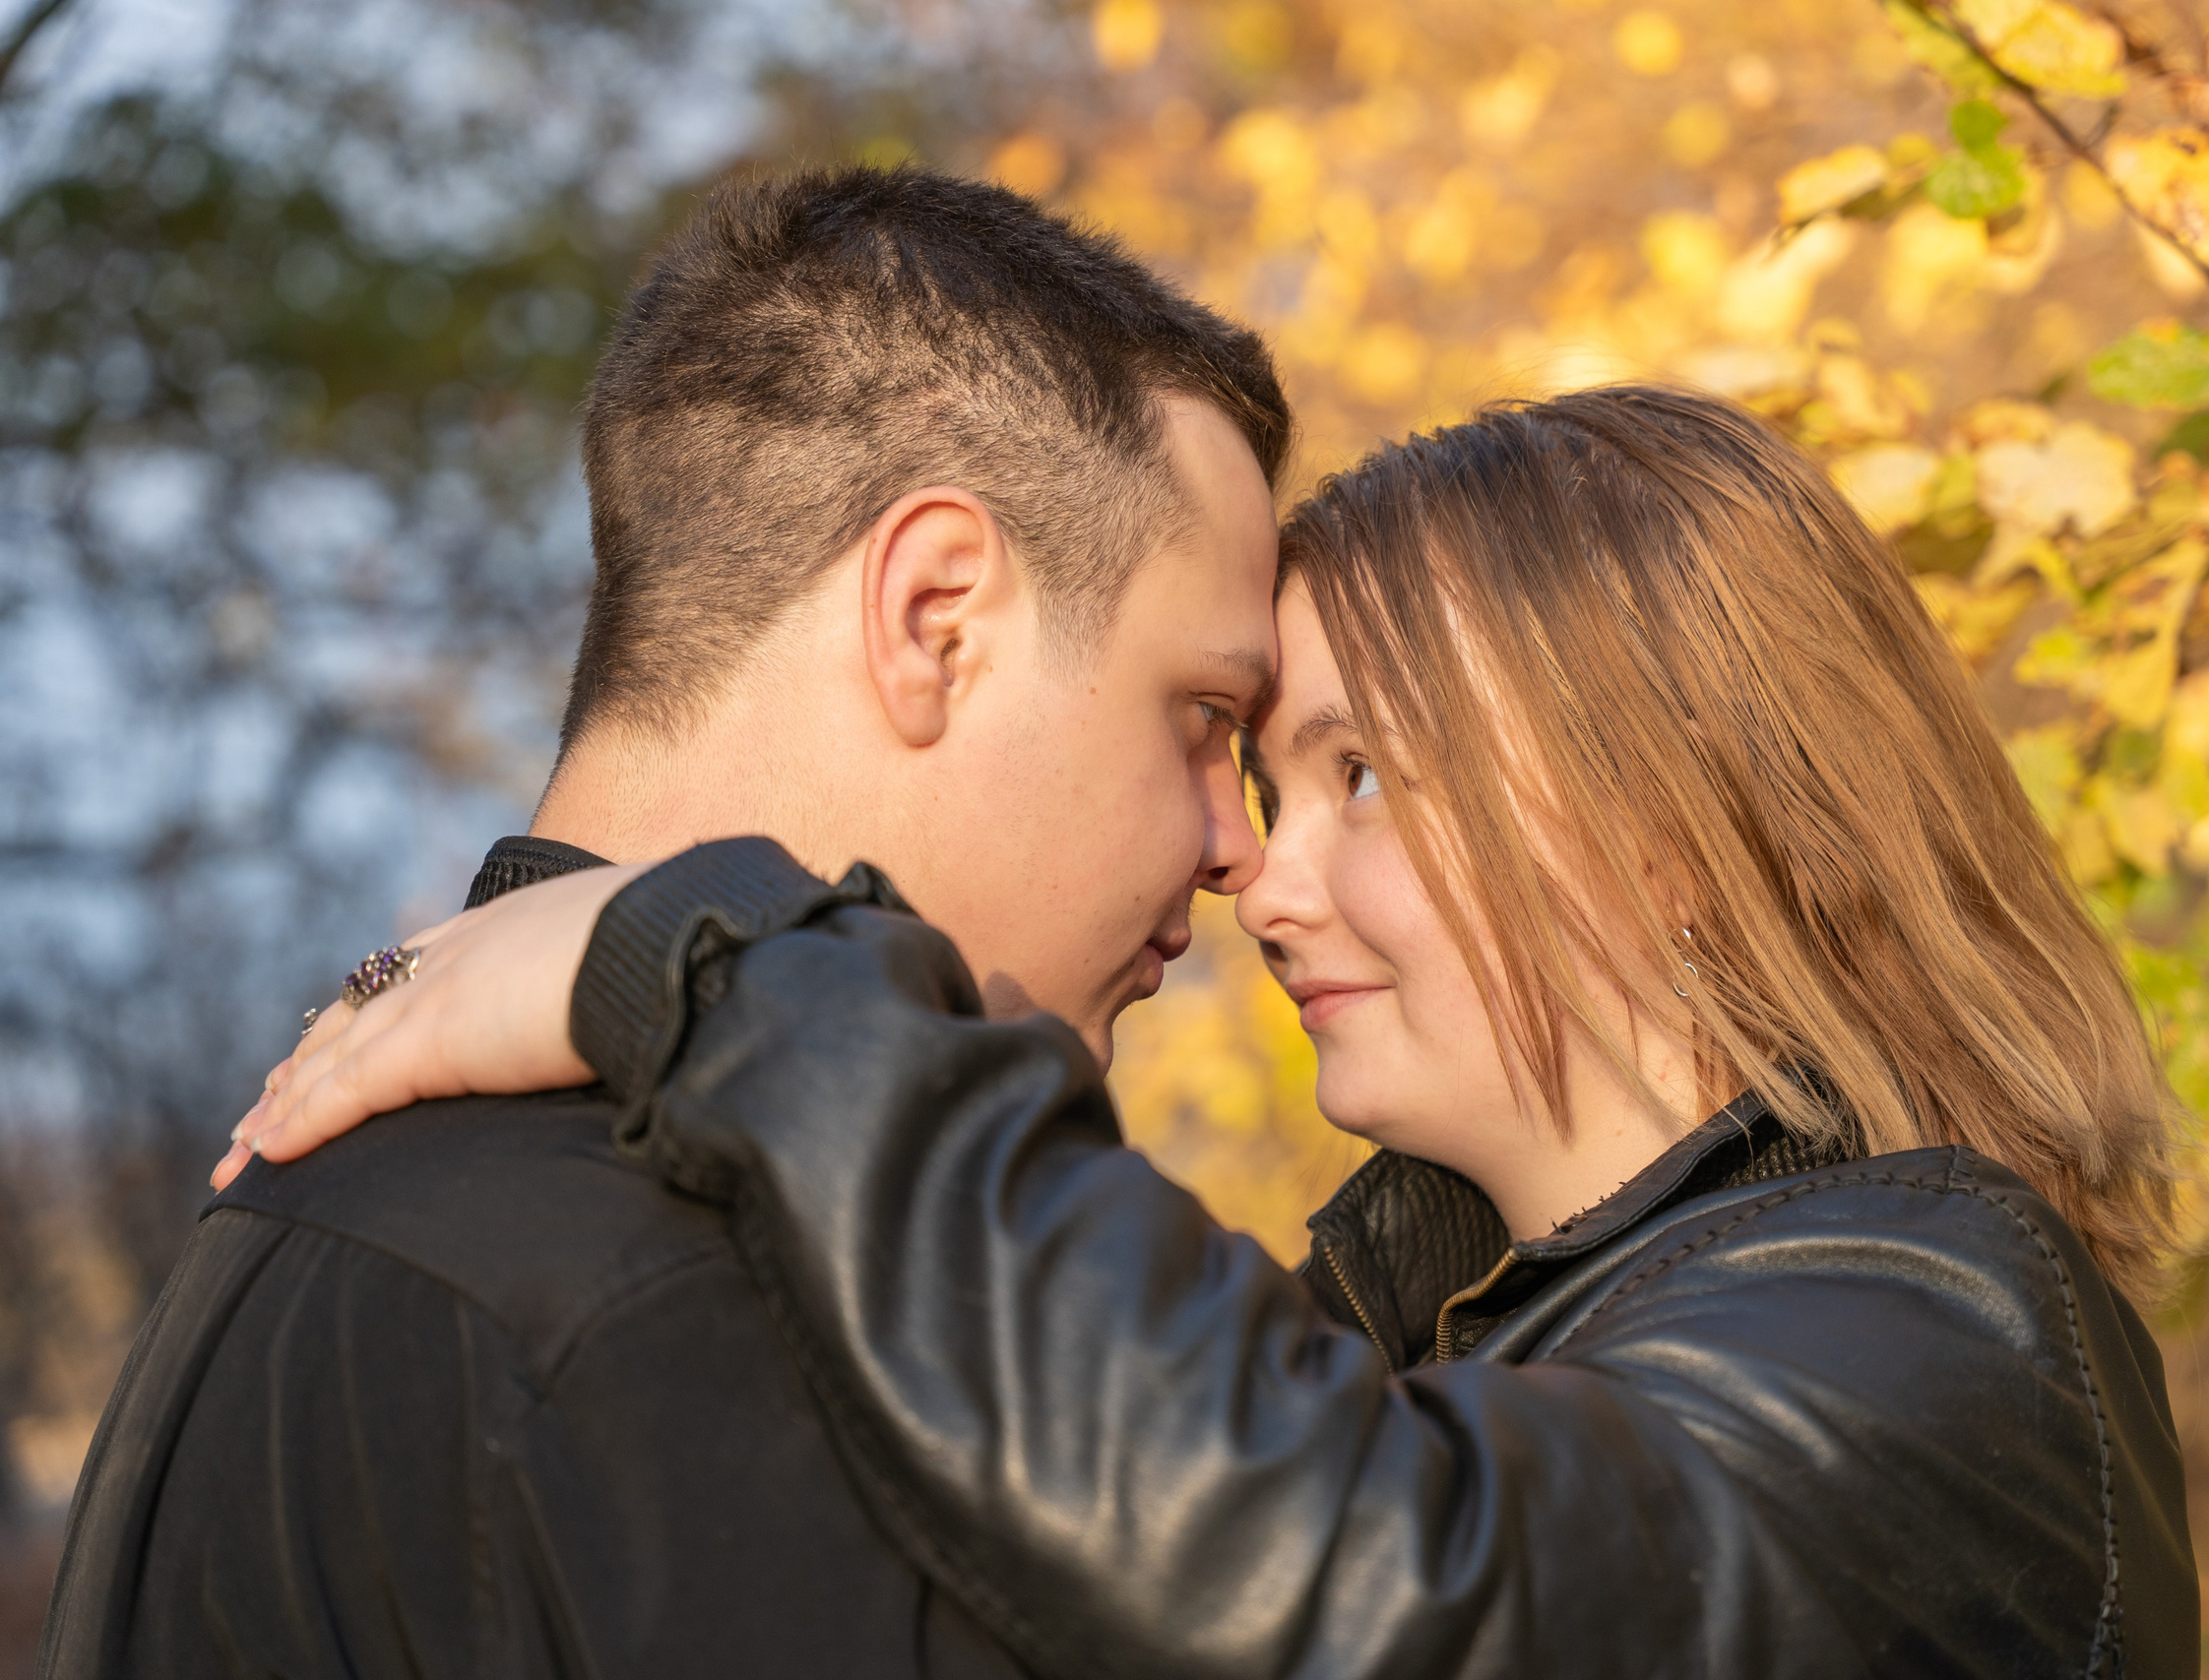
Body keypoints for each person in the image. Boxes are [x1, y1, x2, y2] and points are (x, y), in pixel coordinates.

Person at [245, 385, 2202, 1675]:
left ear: (1675, 817)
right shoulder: (1449, 1330)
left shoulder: (1949, 1336)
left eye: (1364, 774)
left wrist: (728, 960)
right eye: (1270, 775)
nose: (1260, 883)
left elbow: (1364, 1582)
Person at [37, 163, 1291, 1680]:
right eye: (1203, 717)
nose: (1237, 848)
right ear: (934, 618)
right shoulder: (728, 1307)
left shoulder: (299, 1198)